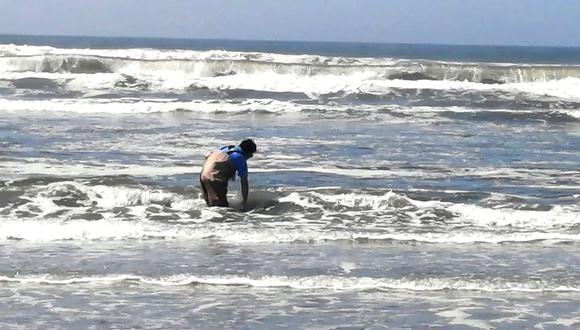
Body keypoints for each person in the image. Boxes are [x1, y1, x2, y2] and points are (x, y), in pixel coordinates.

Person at [200, 138, 256, 210]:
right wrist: (245, 202)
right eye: (251, 154)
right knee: (221, 208)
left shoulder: (226, 149)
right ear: (248, 152)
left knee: (210, 206)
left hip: (203, 175)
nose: (251, 156)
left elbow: (208, 155)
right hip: (214, 178)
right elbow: (244, 182)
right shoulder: (239, 157)